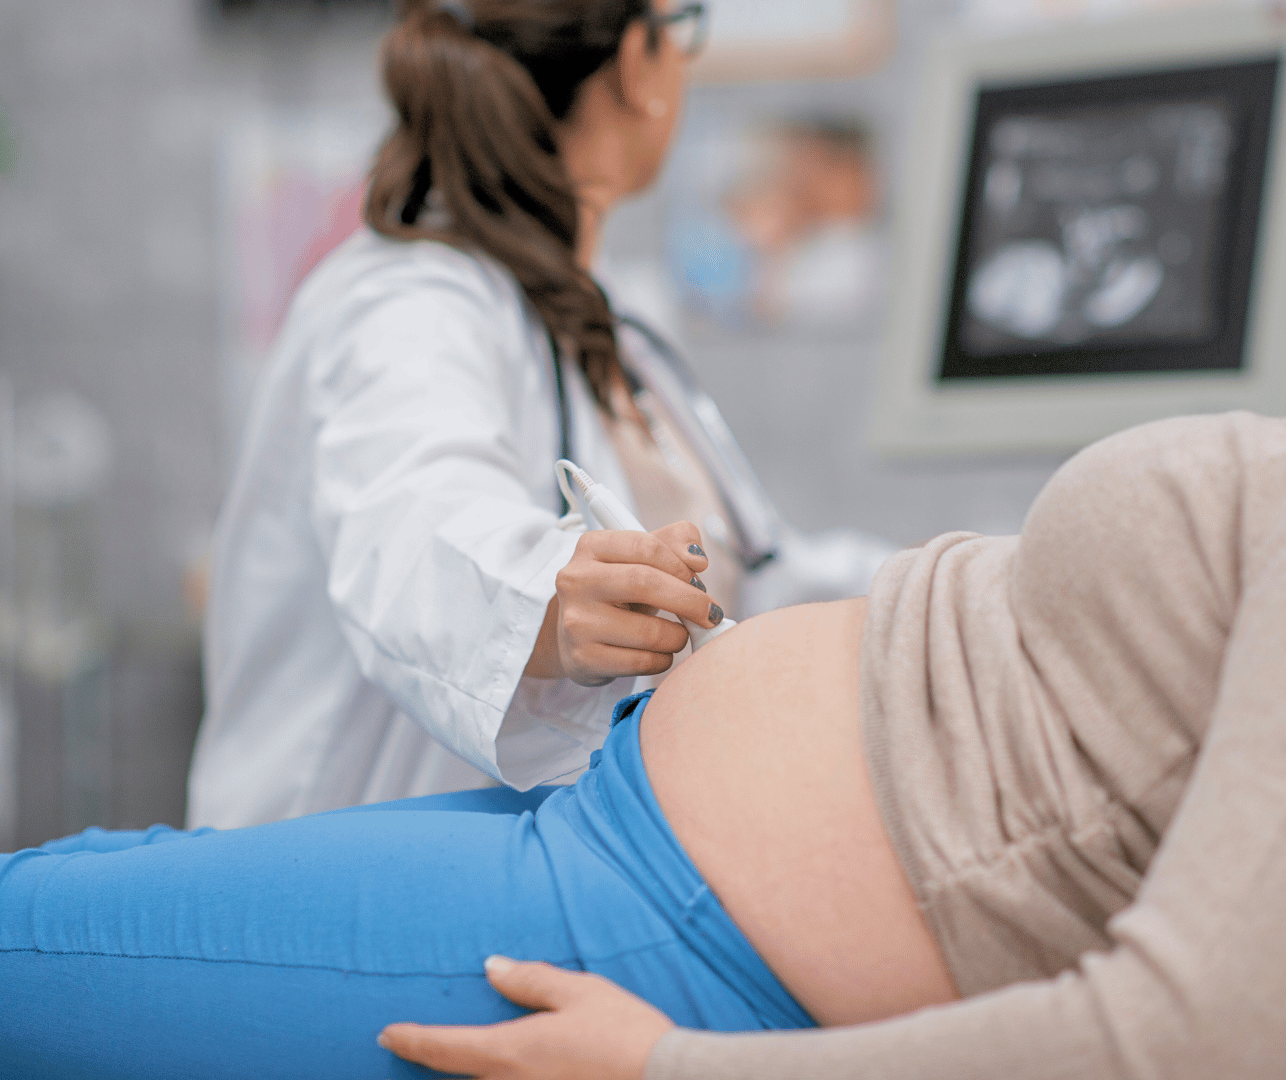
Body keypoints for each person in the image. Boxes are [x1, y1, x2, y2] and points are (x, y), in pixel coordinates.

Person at [0, 0, 1286, 1077]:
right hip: (603, 835)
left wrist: (676, 1078)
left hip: (649, 931)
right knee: (52, 897)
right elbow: (432, 511)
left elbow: (1187, 1031)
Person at [189, 0, 868, 829]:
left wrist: (951, 589)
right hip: (339, 875)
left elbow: (759, 577)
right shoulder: (407, 303)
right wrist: (548, 605)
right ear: (638, 65)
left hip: (565, 857)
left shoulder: (604, 320)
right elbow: (414, 531)